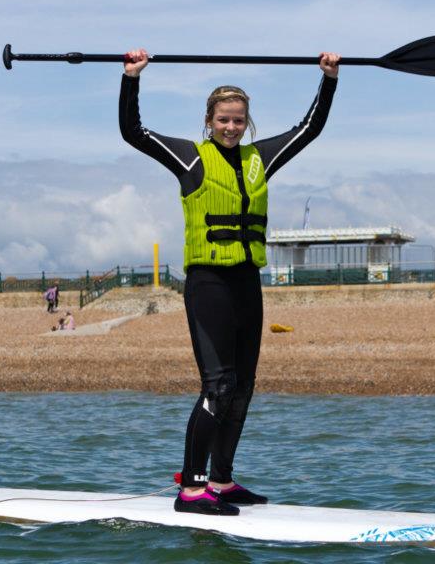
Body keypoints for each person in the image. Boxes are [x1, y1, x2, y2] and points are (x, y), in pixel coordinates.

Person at [120, 47, 339, 516]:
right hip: (209, 285)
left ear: (247, 123)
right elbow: (132, 132)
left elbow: (309, 129)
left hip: (247, 286)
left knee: (242, 387)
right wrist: (132, 78)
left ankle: (221, 480)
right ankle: (192, 490)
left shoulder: (260, 158)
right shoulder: (190, 159)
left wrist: (329, 79)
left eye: (239, 121)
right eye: (223, 120)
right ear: (209, 121)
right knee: (216, 387)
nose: (231, 127)